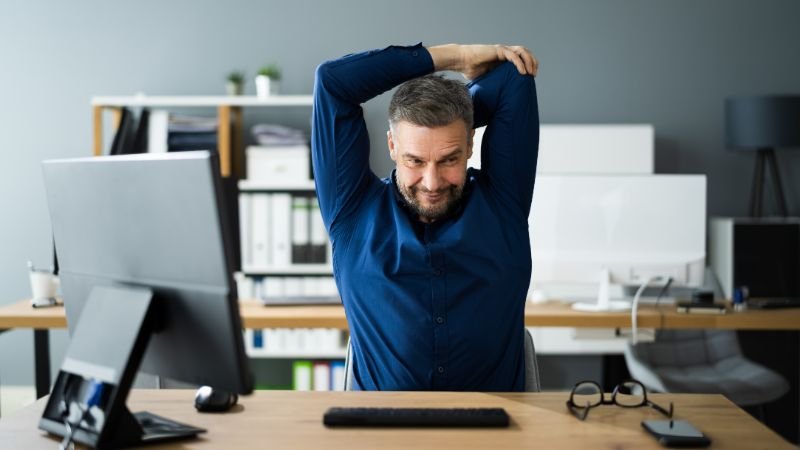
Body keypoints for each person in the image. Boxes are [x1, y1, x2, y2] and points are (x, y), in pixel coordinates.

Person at [312, 43, 539, 391]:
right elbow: (332, 82)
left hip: (495, 437)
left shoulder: (503, 203)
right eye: (415, 160)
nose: (432, 184)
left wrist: (456, 115)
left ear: (470, 146)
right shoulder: (352, 210)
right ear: (392, 146)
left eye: (449, 159)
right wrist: (456, 58)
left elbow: (514, 78)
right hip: (380, 438)